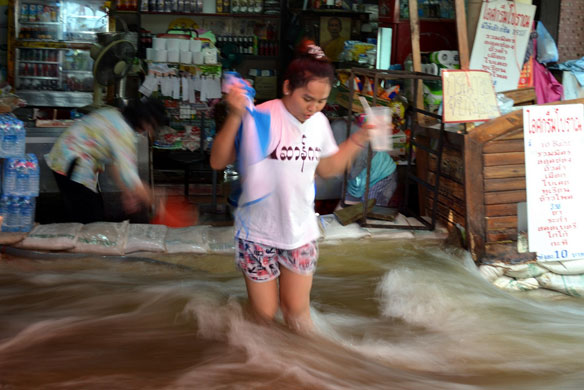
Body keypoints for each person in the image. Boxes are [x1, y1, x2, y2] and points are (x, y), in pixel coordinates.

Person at [210, 41, 370, 333]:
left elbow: (327, 168)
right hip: (257, 232)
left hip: (300, 231)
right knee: (265, 315)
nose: (314, 108)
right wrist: (234, 115)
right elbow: (218, 161)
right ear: (287, 87)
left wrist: (360, 138)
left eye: (321, 101)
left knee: (297, 313)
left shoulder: (319, 123)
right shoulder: (260, 117)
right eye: (308, 98)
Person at [45, 98, 168, 223]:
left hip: (68, 159)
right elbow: (130, 177)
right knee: (88, 217)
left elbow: (114, 164)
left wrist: (127, 192)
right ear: (145, 121)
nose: (150, 132)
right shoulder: (123, 131)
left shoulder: (115, 114)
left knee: (92, 212)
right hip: (70, 162)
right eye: (152, 127)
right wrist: (154, 201)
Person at [330, 118, 398, 207]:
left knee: (370, 211)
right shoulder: (336, 131)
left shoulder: (354, 141)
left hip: (380, 176)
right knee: (348, 210)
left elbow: (351, 170)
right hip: (358, 179)